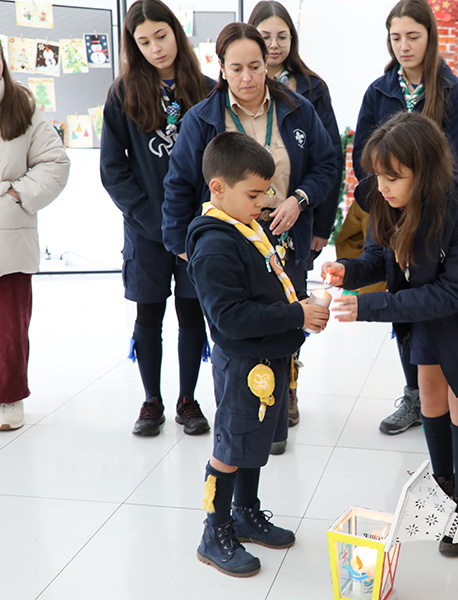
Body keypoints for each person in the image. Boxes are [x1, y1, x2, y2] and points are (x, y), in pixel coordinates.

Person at [322, 111, 458, 557]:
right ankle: (443, 484)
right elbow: (379, 255)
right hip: (426, 302)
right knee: (430, 395)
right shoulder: (384, 197)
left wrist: (369, 305)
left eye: (394, 176)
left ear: (425, 171)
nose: (383, 186)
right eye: (377, 174)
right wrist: (347, 270)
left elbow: (453, 293)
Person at [162, 22, 337, 452]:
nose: (246, 78)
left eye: (255, 66)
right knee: (237, 329)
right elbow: (180, 184)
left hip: (284, 232)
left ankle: (279, 401)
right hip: (228, 240)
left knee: (287, 318)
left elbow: (327, 166)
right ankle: (241, 419)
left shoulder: (297, 109)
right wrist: (183, 246)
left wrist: (300, 200)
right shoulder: (201, 118)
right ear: (220, 68)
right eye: (236, 67)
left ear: (268, 64)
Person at [187, 131, 329, 577]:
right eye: (253, 193)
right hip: (243, 363)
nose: (263, 202)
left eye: (266, 192)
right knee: (231, 446)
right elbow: (231, 318)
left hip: (267, 359)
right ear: (218, 188)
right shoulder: (214, 244)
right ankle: (215, 530)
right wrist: (295, 316)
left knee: (255, 441)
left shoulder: (244, 225)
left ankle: (246, 512)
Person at [344, 0, 458, 437]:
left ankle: (438, 390)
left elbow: (450, 166)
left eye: (413, 36)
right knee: (400, 304)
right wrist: (384, 195)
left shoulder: (453, 92)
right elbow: (365, 156)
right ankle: (415, 394)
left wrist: (418, 201)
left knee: (431, 301)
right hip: (389, 212)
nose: (404, 45)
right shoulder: (379, 90)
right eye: (396, 37)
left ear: (430, 36)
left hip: (434, 218)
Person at [101, 0, 215, 437]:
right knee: (149, 314)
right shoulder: (123, 92)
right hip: (146, 227)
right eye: (143, 41)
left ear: (176, 32)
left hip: (197, 228)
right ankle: (152, 401)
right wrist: (151, 220)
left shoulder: (205, 90)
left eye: (161, 36)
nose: (155, 48)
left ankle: (188, 400)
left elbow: (219, 162)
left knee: (192, 313)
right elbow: (113, 168)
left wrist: (200, 220)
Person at [247, 0, 344, 430]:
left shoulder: (311, 87)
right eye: (265, 36)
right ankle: (251, 384)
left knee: (293, 299)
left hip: (295, 219)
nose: (274, 44)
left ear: (293, 39)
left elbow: (331, 159)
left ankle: (287, 387)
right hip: (244, 221)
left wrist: (322, 225)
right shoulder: (234, 86)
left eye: (282, 36)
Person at [0, 43, 70, 431]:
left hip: (7, 232)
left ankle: (9, 397)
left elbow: (55, 161)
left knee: (10, 324)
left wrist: (16, 195)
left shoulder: (21, 105)